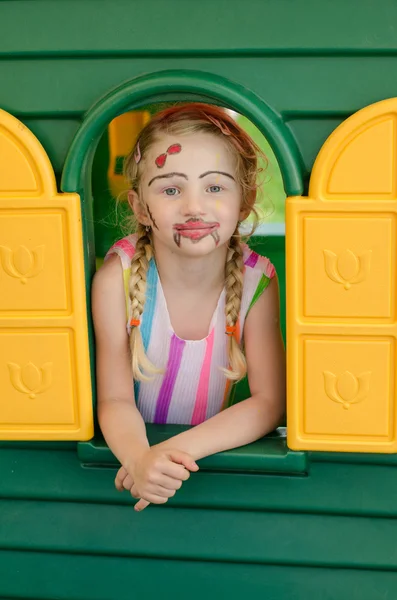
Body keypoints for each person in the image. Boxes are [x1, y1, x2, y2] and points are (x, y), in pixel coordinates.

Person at [92, 103, 286, 511]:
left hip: (184, 467)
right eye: (171, 189)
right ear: (141, 207)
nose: (194, 207)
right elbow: (114, 400)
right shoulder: (118, 280)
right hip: (137, 460)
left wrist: (164, 456)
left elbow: (269, 402)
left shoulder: (257, 282)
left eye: (214, 187)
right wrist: (137, 457)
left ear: (244, 200)